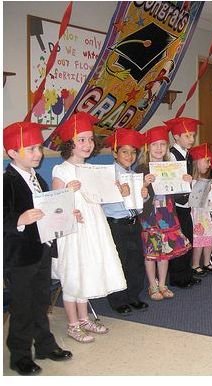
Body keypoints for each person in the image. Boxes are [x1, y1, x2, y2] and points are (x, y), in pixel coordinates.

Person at [4, 122, 73, 375]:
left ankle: (44, 344)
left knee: (41, 301)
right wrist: (19, 220)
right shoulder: (7, 181)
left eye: (39, 148)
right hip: (20, 256)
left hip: (42, 250)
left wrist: (67, 212)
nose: (38, 154)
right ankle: (19, 355)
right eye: (30, 149)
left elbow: (49, 207)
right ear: (12, 153)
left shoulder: (37, 178)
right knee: (22, 306)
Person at [51, 112, 127, 343]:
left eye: (90, 139)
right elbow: (55, 207)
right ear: (69, 144)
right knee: (73, 273)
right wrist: (68, 192)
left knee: (87, 271)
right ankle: (73, 324)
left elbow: (103, 196)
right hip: (73, 230)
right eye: (81, 139)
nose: (87, 144)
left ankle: (84, 319)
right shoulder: (60, 170)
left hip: (93, 226)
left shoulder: (91, 169)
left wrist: (120, 190)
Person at [136, 125, 192, 300]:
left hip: (167, 214)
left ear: (167, 148)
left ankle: (162, 283)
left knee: (165, 251)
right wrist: (144, 184)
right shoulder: (141, 169)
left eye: (162, 144)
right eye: (154, 145)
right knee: (152, 251)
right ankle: (152, 285)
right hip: (150, 217)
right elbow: (137, 196)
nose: (159, 148)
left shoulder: (172, 167)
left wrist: (185, 181)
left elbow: (178, 193)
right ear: (147, 147)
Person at [101, 128, 149, 315]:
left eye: (133, 152)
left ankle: (133, 296)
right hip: (116, 224)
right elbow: (102, 199)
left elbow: (137, 204)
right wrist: (117, 193)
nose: (129, 156)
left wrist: (143, 195)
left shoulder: (134, 174)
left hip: (133, 221)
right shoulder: (108, 174)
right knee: (119, 261)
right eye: (124, 151)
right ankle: (118, 300)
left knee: (135, 260)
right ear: (115, 153)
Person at [164, 117, 202, 287]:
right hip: (176, 205)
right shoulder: (171, 155)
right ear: (176, 137)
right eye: (187, 136)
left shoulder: (188, 154)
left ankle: (186, 274)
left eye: (193, 135)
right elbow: (169, 178)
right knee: (179, 241)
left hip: (186, 203)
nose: (191, 139)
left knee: (188, 238)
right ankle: (178, 277)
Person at [189, 143, 212, 275]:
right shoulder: (191, 180)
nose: (209, 164)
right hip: (196, 214)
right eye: (207, 161)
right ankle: (195, 264)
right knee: (198, 239)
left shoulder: (207, 180)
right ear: (197, 161)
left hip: (205, 213)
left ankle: (206, 262)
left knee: (209, 236)